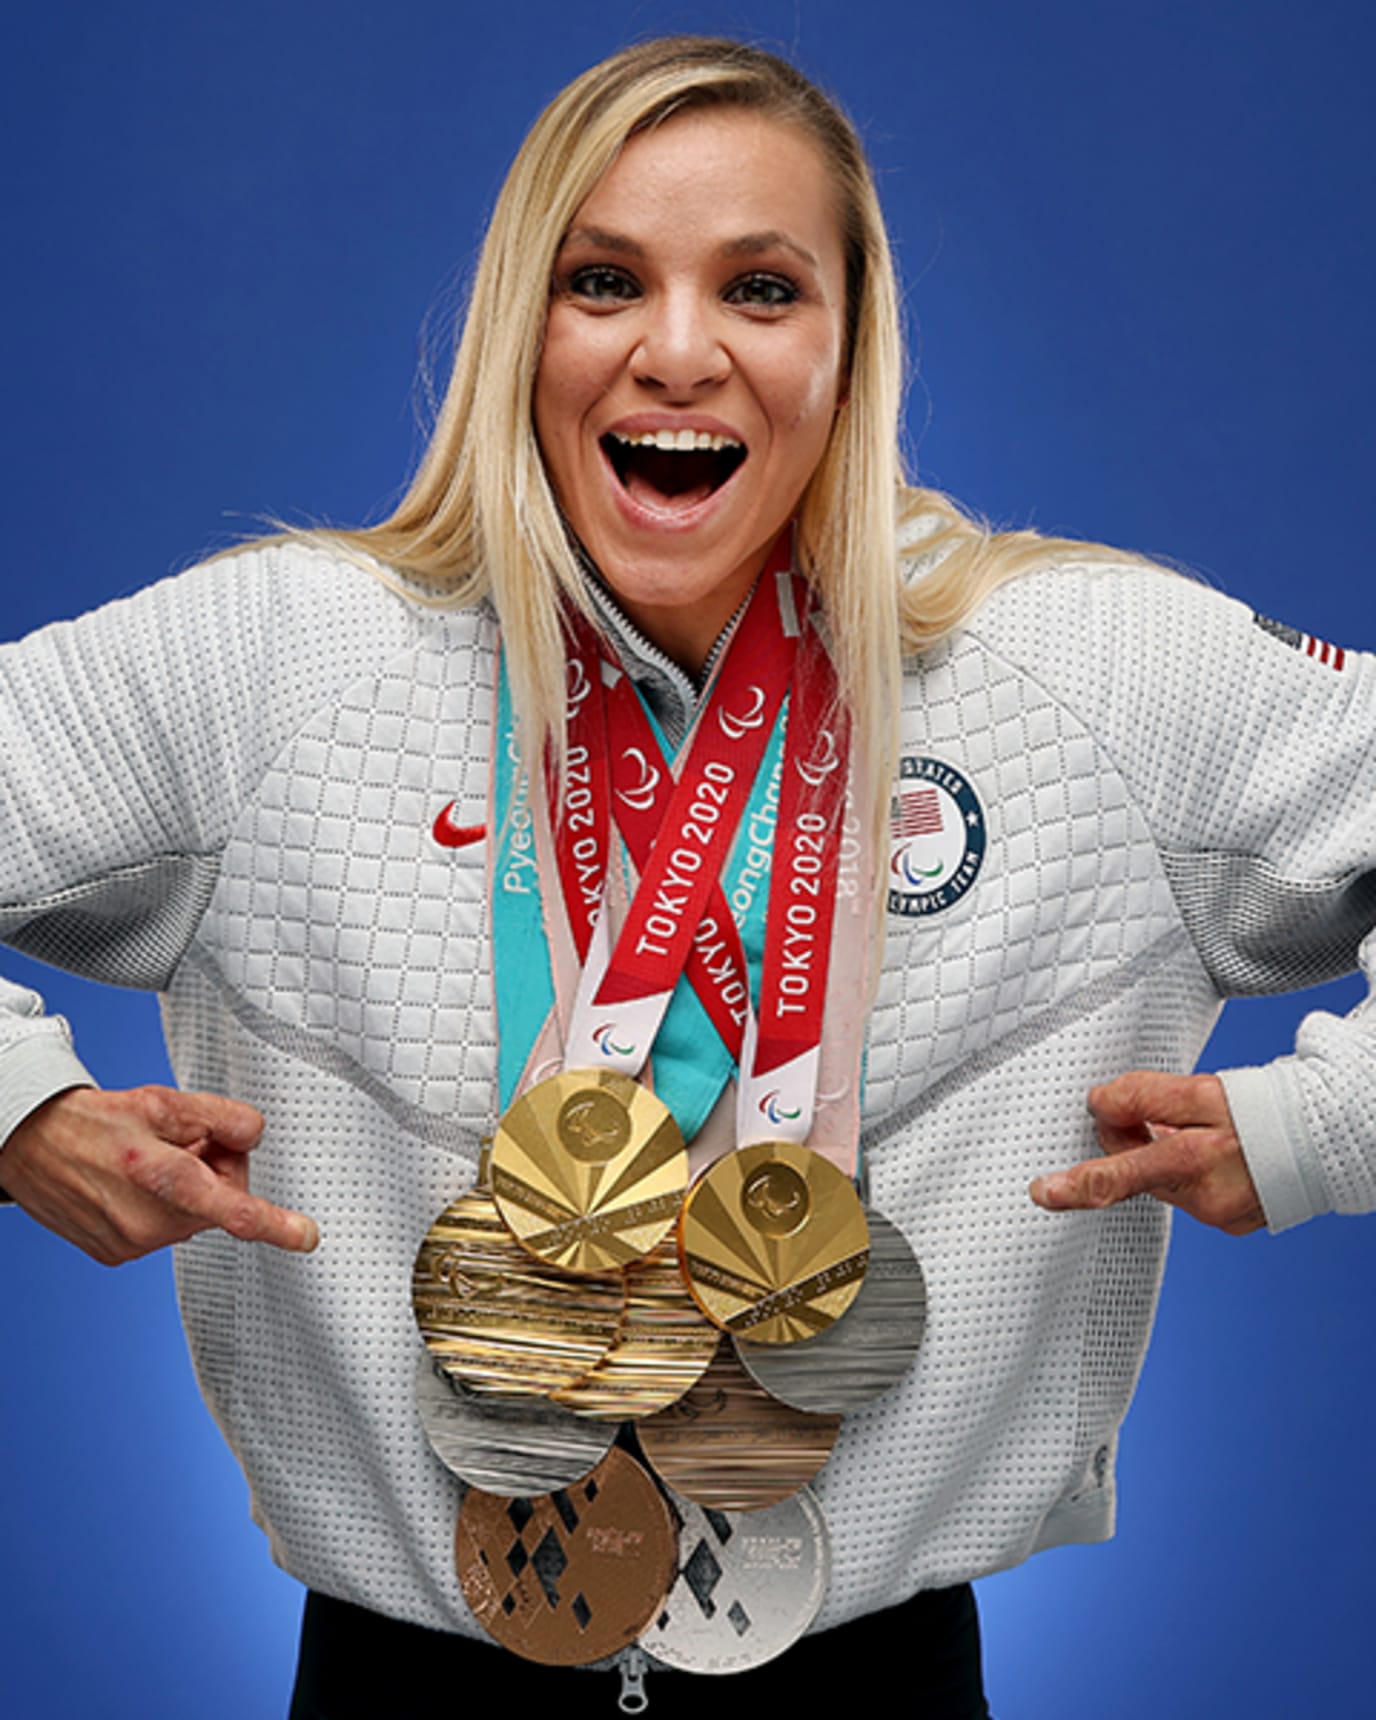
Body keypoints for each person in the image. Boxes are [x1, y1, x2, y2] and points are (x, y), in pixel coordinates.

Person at [0, 33, 1371, 1720]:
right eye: (603, 281)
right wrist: (14, 1110)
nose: (675, 352)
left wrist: (1325, 1131)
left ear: (851, 346)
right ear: (526, 328)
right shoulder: (284, 666)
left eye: (762, 288)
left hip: (881, 1680)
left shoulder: (1089, 675)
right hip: (402, 1680)